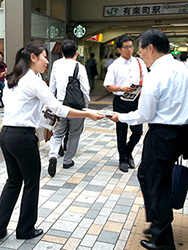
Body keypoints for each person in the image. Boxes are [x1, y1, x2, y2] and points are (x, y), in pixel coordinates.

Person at [0, 41, 104, 240]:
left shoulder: (12, 78)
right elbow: (58, 108)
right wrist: (87, 114)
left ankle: (0, 227)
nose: (47, 61)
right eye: (44, 57)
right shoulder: (33, 80)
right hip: (23, 137)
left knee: (13, 181)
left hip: (6, 135)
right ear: (33, 57)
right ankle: (25, 229)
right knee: (31, 182)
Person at [108, 29, 188, 250]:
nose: (139, 54)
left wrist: (120, 117)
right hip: (183, 132)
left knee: (155, 182)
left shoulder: (155, 75)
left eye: (141, 49)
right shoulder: (183, 68)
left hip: (162, 134)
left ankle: (162, 239)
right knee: (151, 176)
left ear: (150, 48)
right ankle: (156, 223)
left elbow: (145, 114)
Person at [103, 35, 148, 173]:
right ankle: (122, 159)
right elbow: (108, 85)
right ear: (119, 49)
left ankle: (128, 152)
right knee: (121, 132)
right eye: (126, 47)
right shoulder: (114, 66)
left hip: (136, 101)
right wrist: (121, 88)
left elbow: (146, 79)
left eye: (131, 46)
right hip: (121, 101)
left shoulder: (139, 62)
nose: (129, 50)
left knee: (138, 132)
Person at [48, 39, 90, 177]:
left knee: (58, 132)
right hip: (76, 107)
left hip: (60, 105)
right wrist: (86, 105)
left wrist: (51, 102)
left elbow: (52, 85)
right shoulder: (79, 67)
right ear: (76, 53)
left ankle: (53, 155)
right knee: (74, 133)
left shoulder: (56, 64)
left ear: (62, 52)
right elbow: (85, 88)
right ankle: (67, 161)